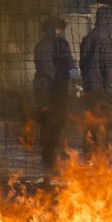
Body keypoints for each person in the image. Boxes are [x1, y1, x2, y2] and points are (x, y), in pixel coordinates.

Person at [33, 16, 77, 170]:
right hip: (46, 90)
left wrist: (72, 70)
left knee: (60, 121)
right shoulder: (44, 45)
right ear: (51, 29)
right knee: (48, 122)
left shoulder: (62, 43)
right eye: (58, 28)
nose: (60, 31)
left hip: (60, 90)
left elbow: (69, 59)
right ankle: (48, 156)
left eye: (61, 28)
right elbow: (47, 69)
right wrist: (63, 75)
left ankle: (52, 151)